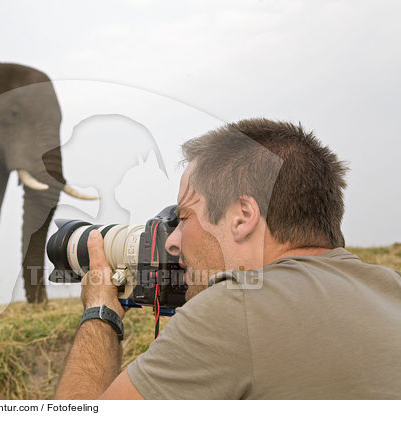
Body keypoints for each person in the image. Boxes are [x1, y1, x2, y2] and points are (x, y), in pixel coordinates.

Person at [54, 118, 401, 400]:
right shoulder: (391, 288)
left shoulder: (236, 309)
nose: (173, 242)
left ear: (242, 216)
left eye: (184, 218)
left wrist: (100, 313)